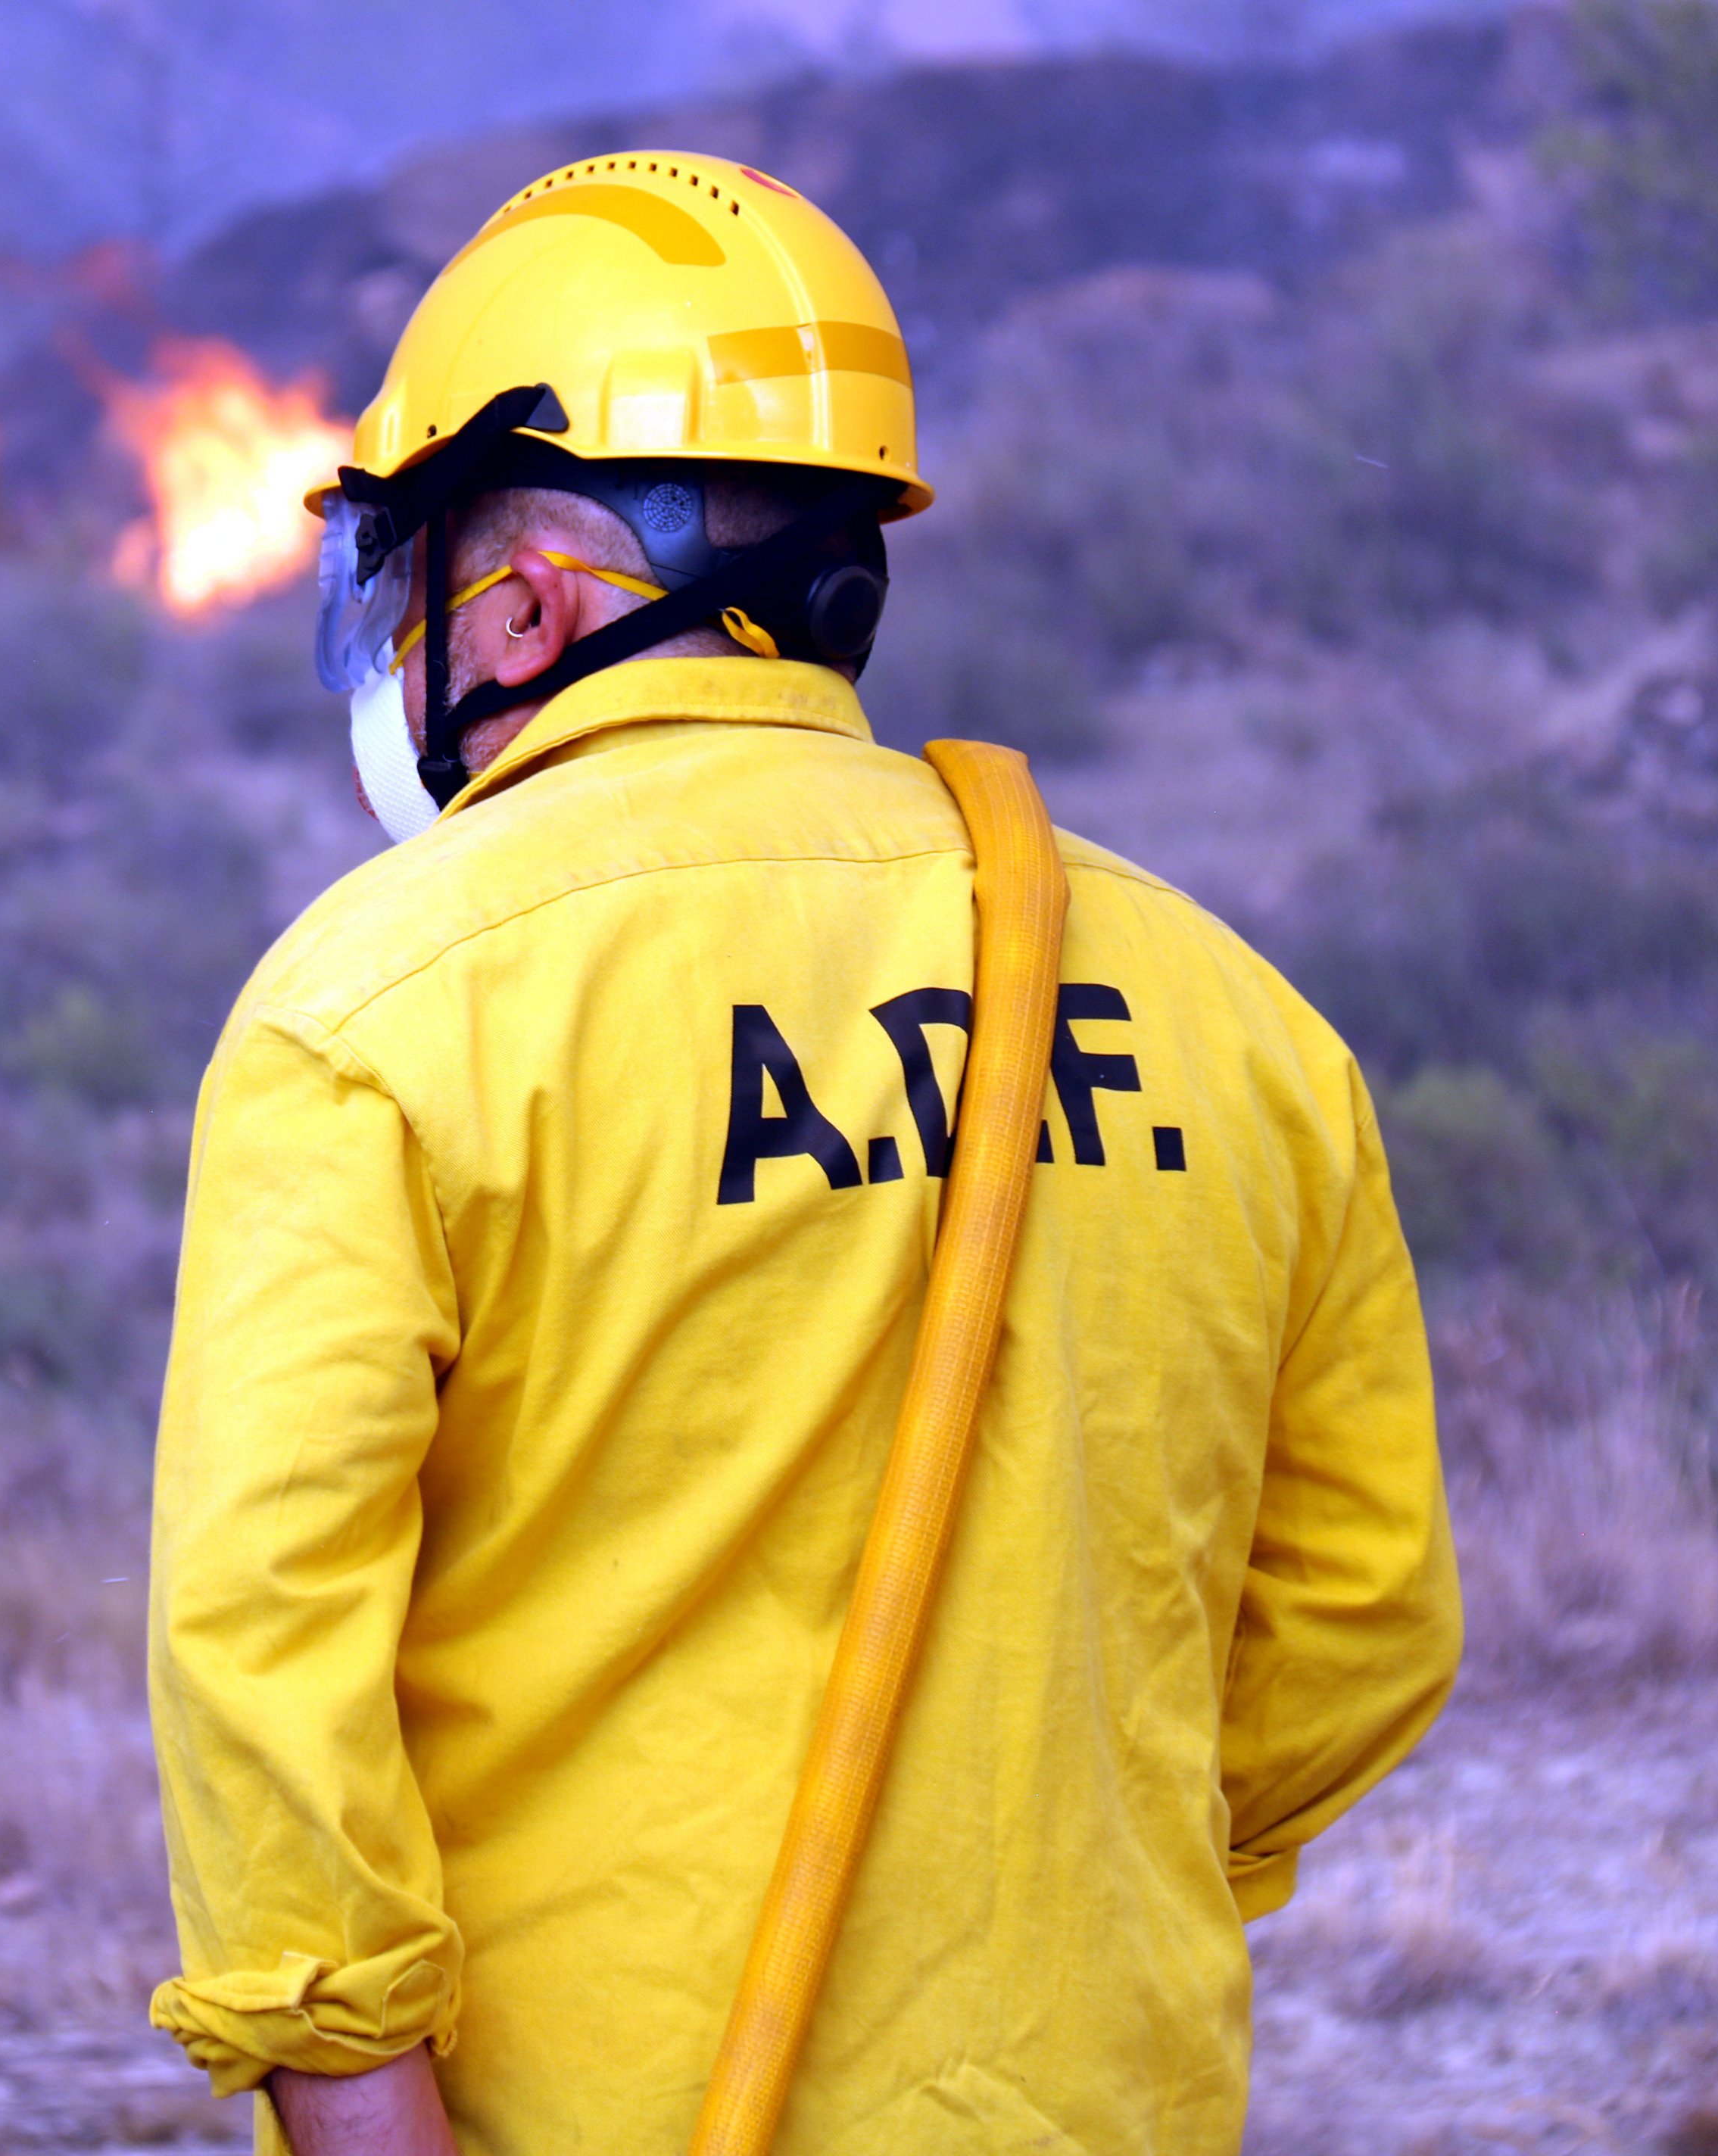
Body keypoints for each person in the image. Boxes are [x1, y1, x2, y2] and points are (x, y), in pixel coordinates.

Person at [145, 153, 1459, 2156]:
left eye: (407, 575)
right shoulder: (1240, 1020)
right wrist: (1044, 1885)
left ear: (537, 586)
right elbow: (1362, 1621)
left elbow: (264, 1673)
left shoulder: (386, 1014)